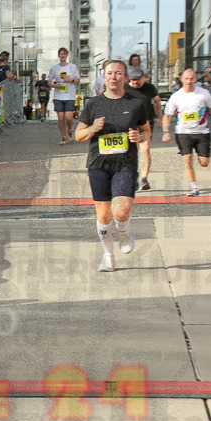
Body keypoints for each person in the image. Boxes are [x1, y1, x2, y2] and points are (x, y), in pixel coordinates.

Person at [75, 60, 150, 273]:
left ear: (125, 77)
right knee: (104, 216)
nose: (114, 77)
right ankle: (108, 257)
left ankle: (125, 230)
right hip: (98, 164)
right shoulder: (93, 104)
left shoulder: (137, 103)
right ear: (104, 76)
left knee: (121, 210)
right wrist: (92, 129)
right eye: (110, 73)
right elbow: (78, 135)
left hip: (125, 163)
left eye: (118, 73)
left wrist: (139, 136)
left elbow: (146, 131)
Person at [161, 67, 211, 197]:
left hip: (202, 132)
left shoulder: (203, 93)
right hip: (183, 132)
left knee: (204, 162)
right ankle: (194, 188)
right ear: (181, 80)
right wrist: (165, 131)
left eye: (191, 79)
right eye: (186, 79)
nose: (189, 82)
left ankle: (200, 154)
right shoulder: (176, 96)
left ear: (195, 79)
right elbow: (167, 116)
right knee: (188, 160)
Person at [125, 66, 161, 191]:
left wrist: (160, 118)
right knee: (131, 151)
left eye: (138, 79)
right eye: (133, 80)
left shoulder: (149, 88)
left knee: (145, 149)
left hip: (146, 121)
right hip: (130, 122)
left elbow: (157, 102)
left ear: (143, 78)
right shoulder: (124, 89)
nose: (135, 82)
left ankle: (144, 178)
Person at [47, 47, 80, 145]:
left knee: (69, 117)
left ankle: (70, 130)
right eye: (61, 54)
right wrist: (52, 85)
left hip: (70, 95)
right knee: (61, 117)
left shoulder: (72, 67)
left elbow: (77, 80)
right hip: (58, 95)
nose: (62, 56)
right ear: (58, 55)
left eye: (64, 54)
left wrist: (71, 81)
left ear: (66, 56)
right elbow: (49, 81)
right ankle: (63, 137)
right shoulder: (55, 68)